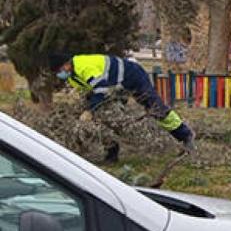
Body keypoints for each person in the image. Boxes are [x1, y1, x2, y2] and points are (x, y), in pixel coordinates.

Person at [49, 53, 194, 162]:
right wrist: (86, 108)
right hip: (115, 87)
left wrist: (89, 111)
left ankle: (185, 135)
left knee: (156, 108)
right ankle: (112, 152)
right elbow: (88, 93)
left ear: (66, 64)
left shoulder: (84, 66)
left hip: (132, 76)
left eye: (60, 70)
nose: (60, 74)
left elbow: (100, 89)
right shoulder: (72, 77)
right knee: (106, 117)